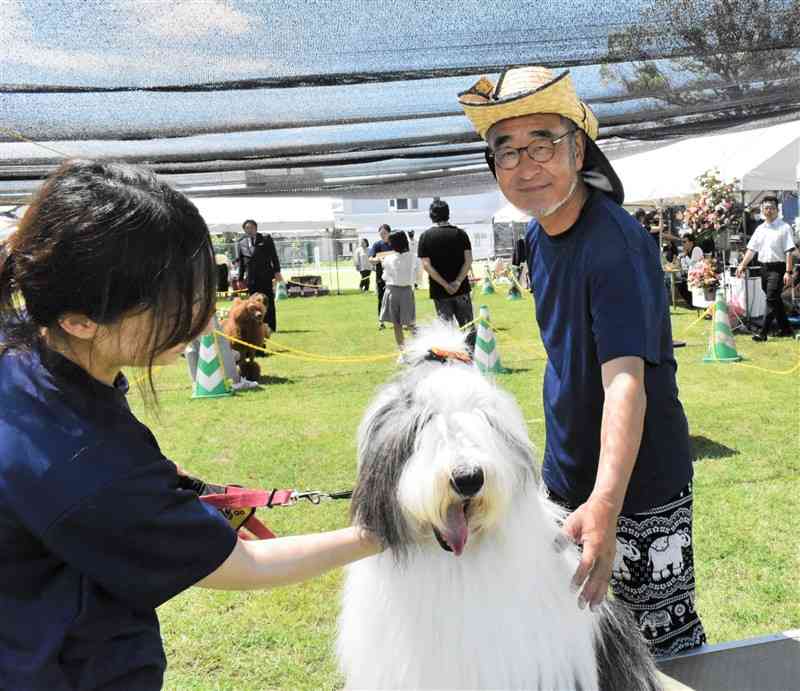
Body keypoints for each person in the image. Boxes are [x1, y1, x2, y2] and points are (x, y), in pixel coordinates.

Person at [0, 160, 380, 690]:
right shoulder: (83, 463)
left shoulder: (24, 349)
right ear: (81, 320)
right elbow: (244, 565)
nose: (203, 320)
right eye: (176, 304)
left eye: (204, 288)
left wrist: (157, 485)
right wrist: (376, 534)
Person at [459, 65, 705, 656]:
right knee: (575, 641)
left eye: (543, 143)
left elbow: (626, 384)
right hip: (566, 474)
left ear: (578, 148)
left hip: (634, 486)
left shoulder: (615, 244)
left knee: (651, 650)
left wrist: (605, 504)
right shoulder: (540, 237)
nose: (526, 164)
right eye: (507, 151)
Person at [417, 199, 476, 348]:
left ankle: (451, 361)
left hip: (439, 291)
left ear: (431, 215)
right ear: (448, 214)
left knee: (445, 330)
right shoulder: (461, 234)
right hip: (461, 289)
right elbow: (468, 260)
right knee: (468, 327)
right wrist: (457, 282)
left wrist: (445, 284)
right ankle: (472, 358)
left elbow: (426, 265)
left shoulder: (425, 237)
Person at [737, 195, 796, 341]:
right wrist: (742, 265)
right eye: (766, 208)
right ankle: (786, 329)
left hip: (779, 268)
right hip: (763, 268)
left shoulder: (784, 227)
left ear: (777, 210)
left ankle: (762, 333)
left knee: (770, 299)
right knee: (774, 299)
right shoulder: (760, 229)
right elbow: (751, 250)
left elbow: (789, 251)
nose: (768, 211)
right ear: (762, 209)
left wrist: (788, 272)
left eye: (771, 208)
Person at [237, 219, 283, 333]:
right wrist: (240, 278)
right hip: (251, 278)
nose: (249, 230)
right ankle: (257, 327)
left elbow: (274, 256)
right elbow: (242, 262)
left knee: (268, 302)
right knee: (253, 304)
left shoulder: (266, 239)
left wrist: (277, 271)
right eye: (247, 228)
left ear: (256, 228)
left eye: (251, 227)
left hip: (265, 276)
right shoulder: (241, 242)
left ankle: (270, 326)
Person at [379, 231, 417, 360]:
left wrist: (383, 263)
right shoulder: (413, 257)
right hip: (407, 291)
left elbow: (384, 276)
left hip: (393, 291)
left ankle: (403, 353)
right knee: (410, 323)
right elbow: (417, 276)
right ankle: (421, 347)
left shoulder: (389, 259)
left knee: (397, 325)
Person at [369, 224, 392, 329]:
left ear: (389, 233)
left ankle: (398, 320)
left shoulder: (395, 243)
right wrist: (379, 259)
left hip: (394, 276)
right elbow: (370, 259)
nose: (382, 235)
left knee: (395, 298)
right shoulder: (377, 245)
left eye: (384, 233)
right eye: (381, 234)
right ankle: (381, 321)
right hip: (381, 276)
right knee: (381, 298)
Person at [676, 233, 704, 306]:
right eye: (682, 242)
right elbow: (683, 266)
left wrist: (683, 256)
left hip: (699, 276)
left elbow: (692, 264)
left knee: (681, 285)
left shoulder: (696, 249)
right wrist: (682, 257)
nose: (683, 244)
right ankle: (692, 303)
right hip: (692, 275)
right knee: (680, 284)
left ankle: (693, 304)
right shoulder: (687, 252)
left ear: (691, 242)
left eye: (685, 242)